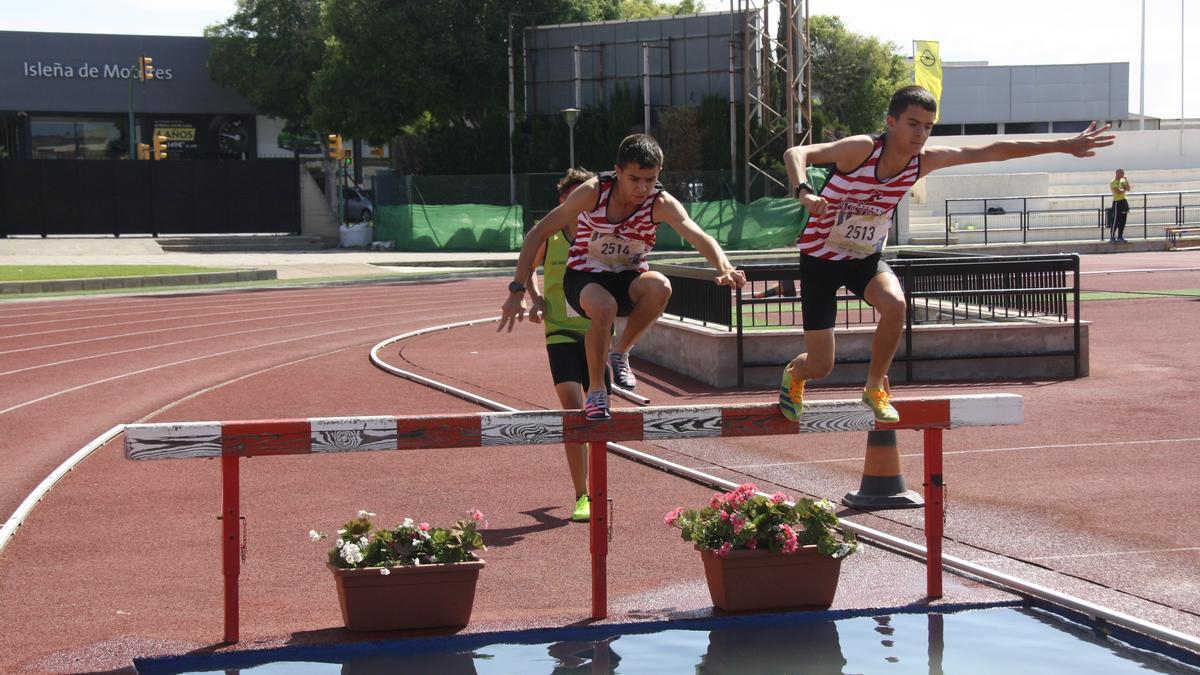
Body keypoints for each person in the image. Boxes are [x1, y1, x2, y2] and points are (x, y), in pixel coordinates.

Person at [778, 85, 1114, 423]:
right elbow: (796, 153)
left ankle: (874, 387)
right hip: (820, 258)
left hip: (863, 257)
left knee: (895, 304)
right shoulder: (862, 149)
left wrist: (1064, 145)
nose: (921, 134)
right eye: (913, 124)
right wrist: (805, 193)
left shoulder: (923, 162)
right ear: (891, 122)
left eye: (928, 127)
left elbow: (994, 150)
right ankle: (795, 374)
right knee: (821, 366)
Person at [500, 133, 747, 421]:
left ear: (659, 174)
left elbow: (699, 235)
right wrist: (516, 290)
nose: (642, 188)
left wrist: (724, 267)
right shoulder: (594, 191)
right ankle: (596, 391)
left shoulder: (660, 202)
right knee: (604, 308)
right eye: (634, 179)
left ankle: (620, 352)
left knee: (661, 287)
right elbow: (536, 233)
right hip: (584, 277)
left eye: (650, 179)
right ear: (617, 172)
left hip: (628, 278)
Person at [524, 168, 607, 522]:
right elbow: (528, 264)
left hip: (595, 334)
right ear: (563, 201)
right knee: (575, 413)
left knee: (598, 415)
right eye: (570, 196)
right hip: (559, 332)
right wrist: (536, 298)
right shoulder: (552, 234)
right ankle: (582, 495)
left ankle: (599, 487)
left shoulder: (601, 235)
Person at [1109, 168, 1131, 243]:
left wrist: (1126, 182)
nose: (1123, 175)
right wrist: (1124, 189)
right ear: (1117, 173)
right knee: (1116, 219)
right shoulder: (1113, 182)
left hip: (1124, 201)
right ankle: (1112, 236)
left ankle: (1120, 236)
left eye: (1123, 173)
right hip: (1117, 202)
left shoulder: (1123, 180)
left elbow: (1128, 189)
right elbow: (1118, 192)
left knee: (1123, 220)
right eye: (1122, 173)